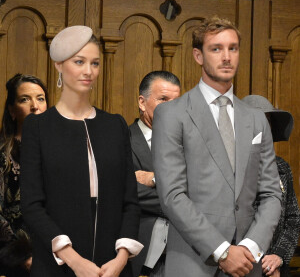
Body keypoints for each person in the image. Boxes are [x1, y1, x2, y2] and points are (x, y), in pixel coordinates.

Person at [151, 16, 282, 277]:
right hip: (193, 260)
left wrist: (249, 246)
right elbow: (172, 195)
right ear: (198, 56)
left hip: (248, 263)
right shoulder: (171, 114)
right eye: (216, 49)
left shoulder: (256, 119)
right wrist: (222, 250)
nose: (226, 57)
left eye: (233, 48)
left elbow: (271, 194)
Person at [20, 25, 143, 277]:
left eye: (95, 63)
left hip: (114, 267)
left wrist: (121, 259)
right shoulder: (39, 127)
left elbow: (130, 202)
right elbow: (32, 205)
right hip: (58, 266)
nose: (89, 71)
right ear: (58, 65)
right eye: (79, 61)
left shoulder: (115, 125)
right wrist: (75, 261)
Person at [242, 95, 300, 277]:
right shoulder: (228, 168)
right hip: (242, 266)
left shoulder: (281, 167)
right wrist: (260, 262)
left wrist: (278, 257)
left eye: (265, 123)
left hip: (277, 268)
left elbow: (293, 219)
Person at [129, 71, 180, 277]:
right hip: (141, 254)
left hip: (186, 255)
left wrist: (154, 178)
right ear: (142, 102)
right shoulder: (121, 139)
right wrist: (181, 204)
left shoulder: (190, 143)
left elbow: (202, 190)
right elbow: (126, 190)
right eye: (163, 100)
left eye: (176, 102)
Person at [0, 73, 48, 277]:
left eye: (40, 98)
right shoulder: (4, 155)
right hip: (15, 260)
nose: (35, 106)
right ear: (12, 110)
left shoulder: (62, 152)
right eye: (24, 99)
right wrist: (23, 256)